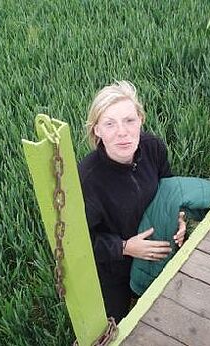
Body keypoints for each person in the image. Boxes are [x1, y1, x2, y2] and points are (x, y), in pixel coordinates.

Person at [77, 81, 184, 321]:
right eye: (109, 124)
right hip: (115, 268)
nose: (122, 132)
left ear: (140, 120)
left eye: (129, 120)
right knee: (115, 323)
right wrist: (125, 247)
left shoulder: (152, 148)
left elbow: (168, 188)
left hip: (158, 246)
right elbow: (81, 240)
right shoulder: (87, 179)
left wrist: (179, 218)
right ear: (97, 131)